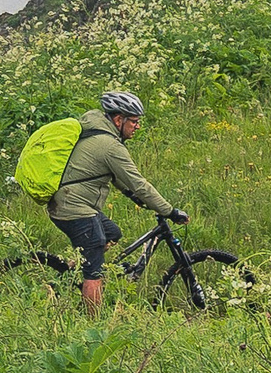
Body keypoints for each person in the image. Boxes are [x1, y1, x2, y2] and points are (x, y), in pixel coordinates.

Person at [47, 90, 185, 311]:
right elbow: (139, 184)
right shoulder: (110, 146)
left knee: (111, 233)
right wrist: (170, 211)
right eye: (134, 121)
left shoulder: (97, 134)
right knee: (94, 272)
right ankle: (92, 323)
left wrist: (136, 199)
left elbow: (117, 178)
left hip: (69, 203)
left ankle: (69, 274)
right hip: (74, 208)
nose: (137, 126)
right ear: (119, 119)